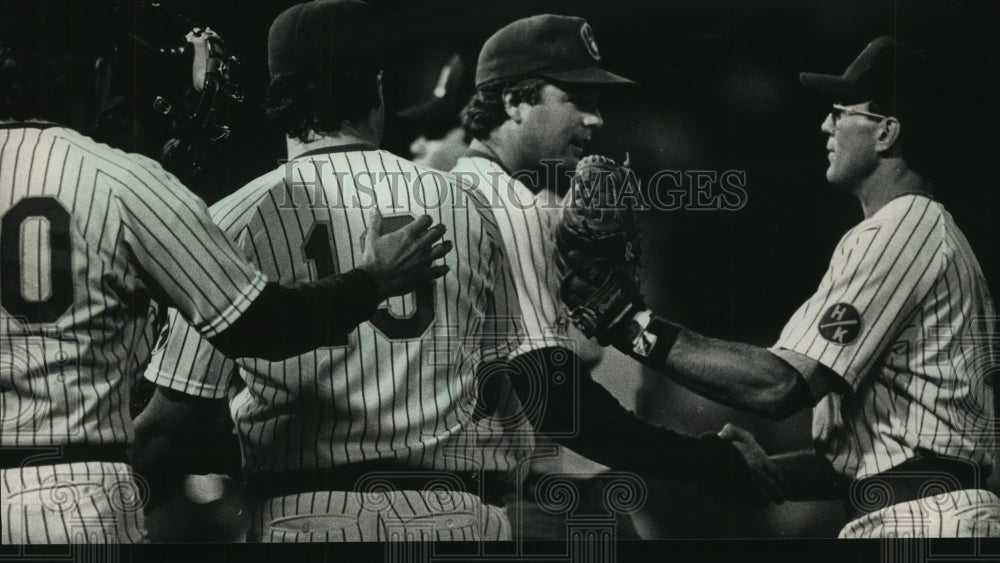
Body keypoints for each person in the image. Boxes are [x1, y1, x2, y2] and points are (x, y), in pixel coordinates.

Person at [0, 0, 449, 544]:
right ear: (99, 74)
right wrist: (372, 281)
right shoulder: (121, 179)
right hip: (71, 489)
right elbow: (260, 325)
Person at [561, 36, 1000, 538]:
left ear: (886, 133)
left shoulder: (903, 228)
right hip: (919, 509)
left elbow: (778, 385)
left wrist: (630, 324)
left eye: (841, 112)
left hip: (926, 521)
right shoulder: (918, 235)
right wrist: (763, 472)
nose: (825, 125)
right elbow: (873, 460)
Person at [135, 0, 529, 542]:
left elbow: (171, 427)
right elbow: (506, 383)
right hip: (459, 510)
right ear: (377, 88)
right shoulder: (465, 203)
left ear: (277, 96)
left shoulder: (234, 216)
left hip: (311, 516)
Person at [452, 13, 787, 538]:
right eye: (575, 99)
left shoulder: (455, 192)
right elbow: (560, 400)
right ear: (513, 102)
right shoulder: (510, 207)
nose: (595, 119)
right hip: (520, 501)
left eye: (599, 102)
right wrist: (705, 459)